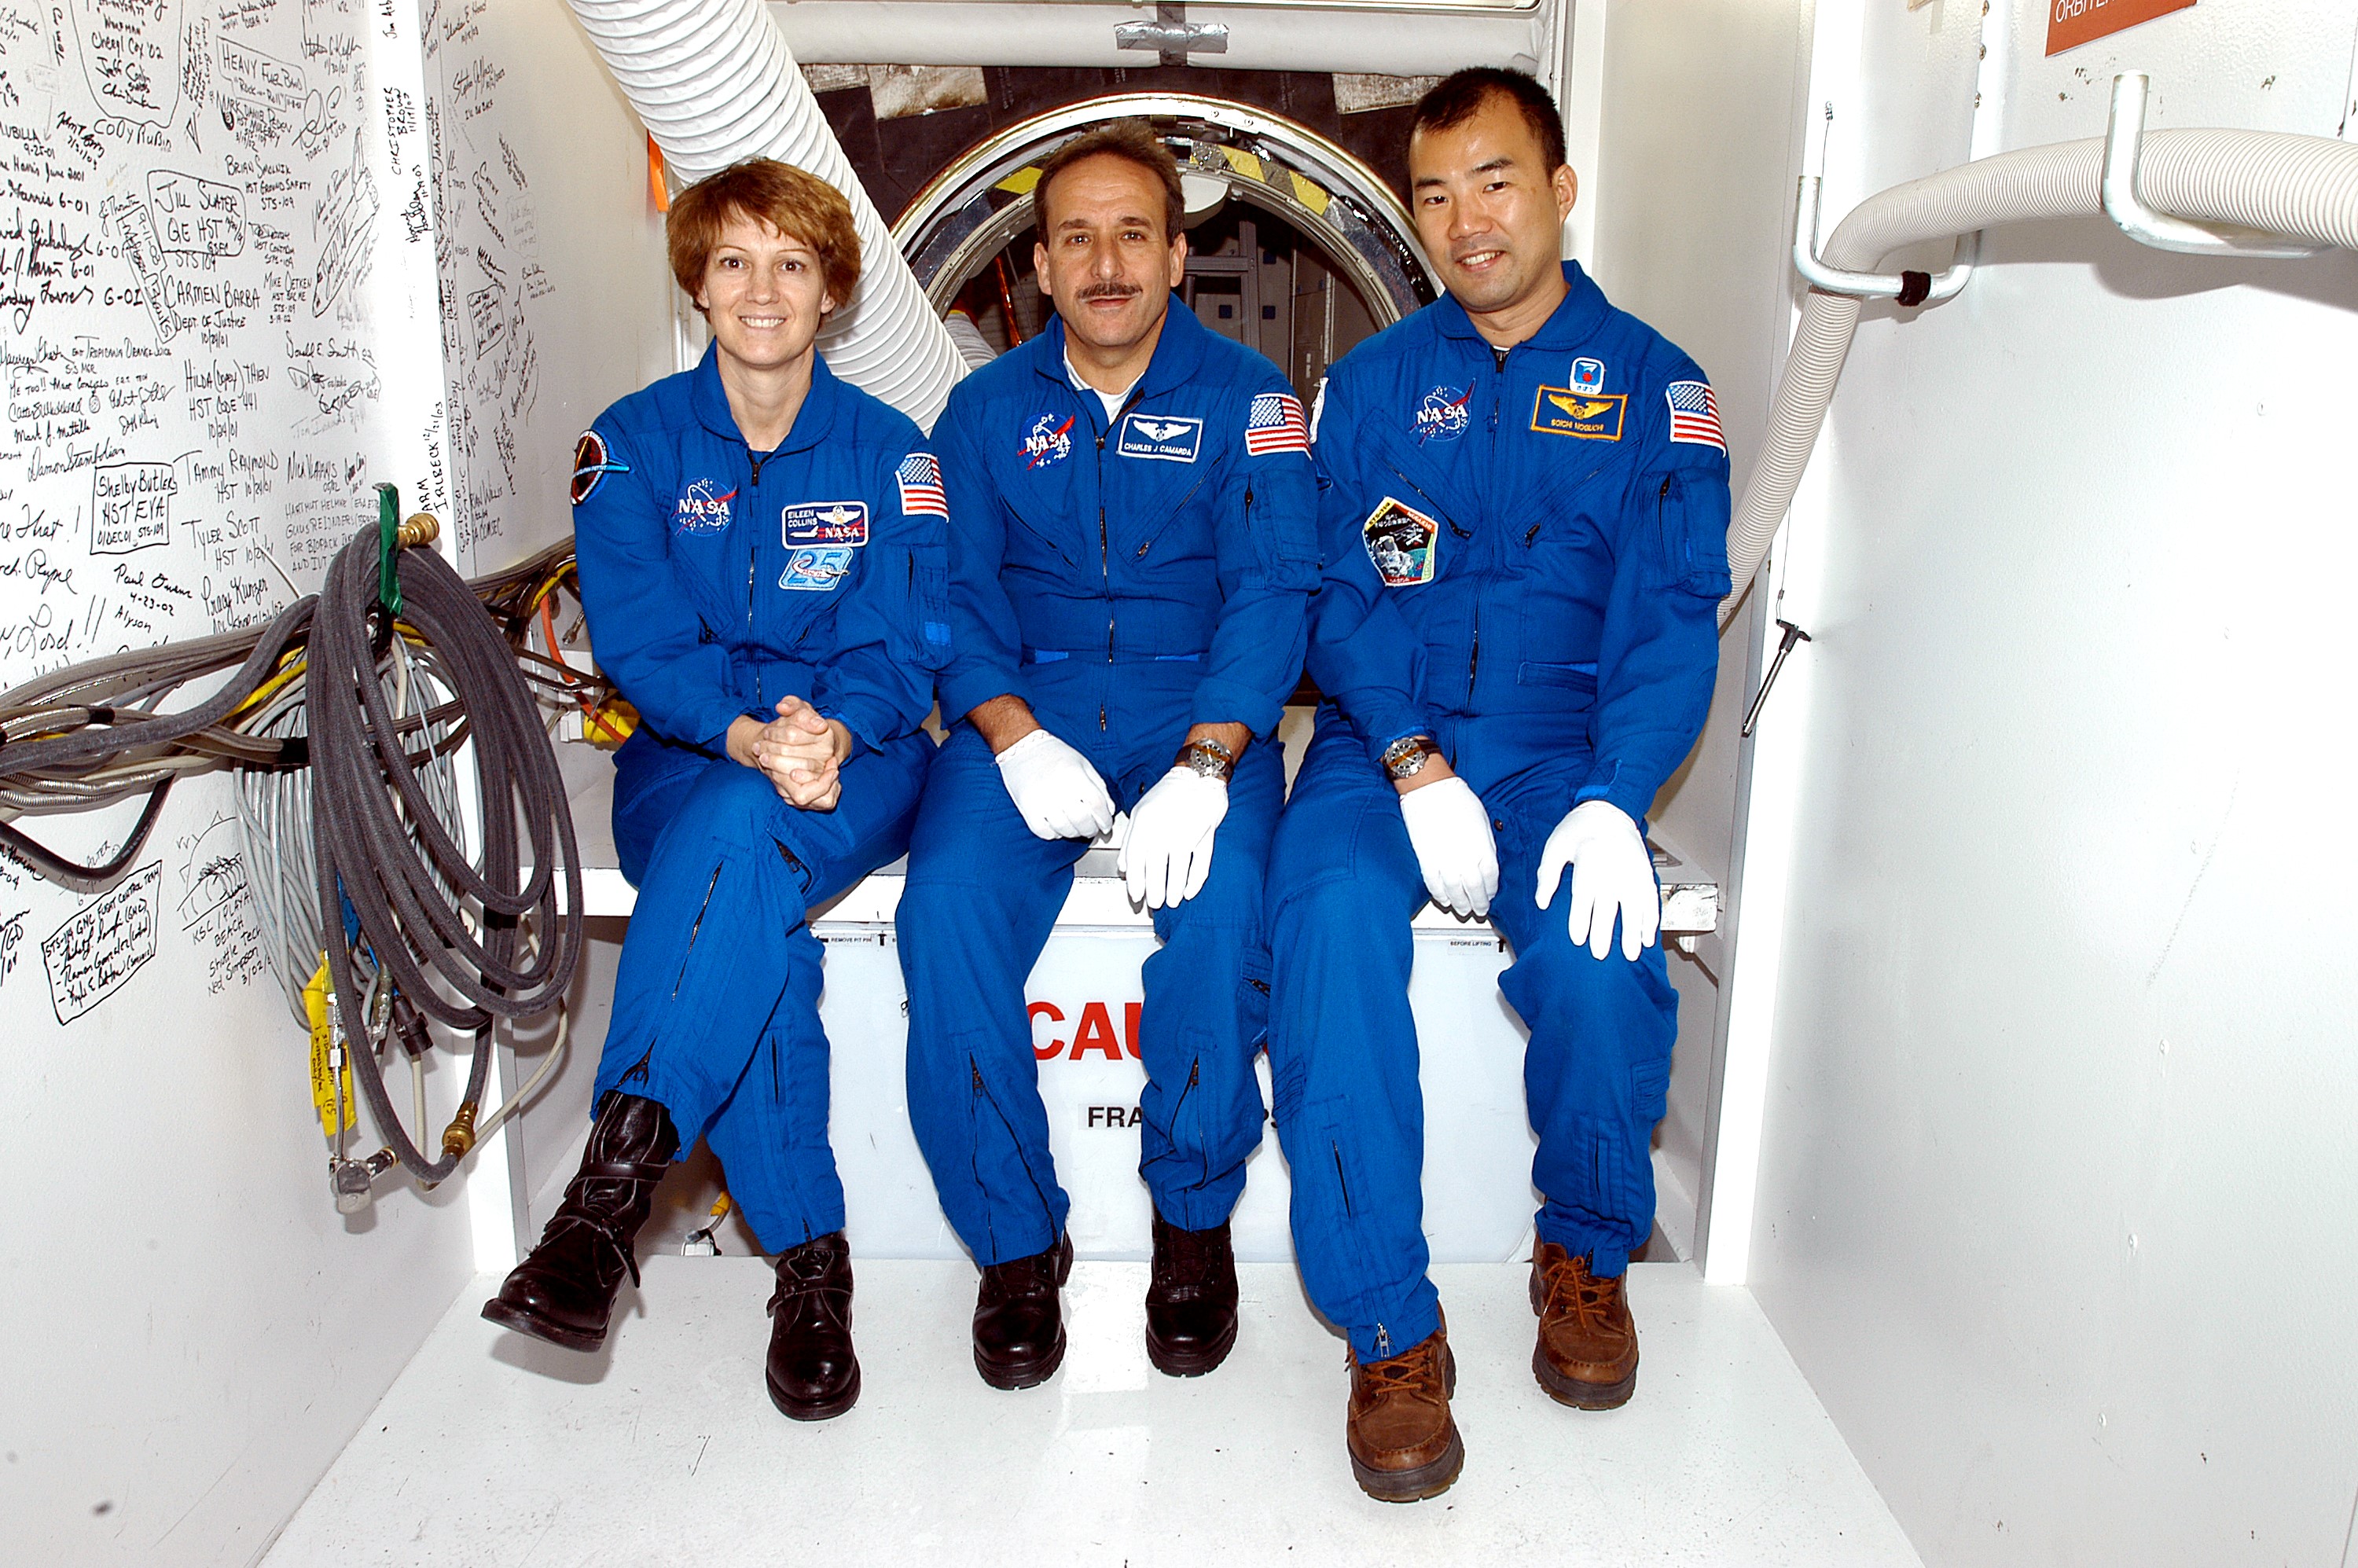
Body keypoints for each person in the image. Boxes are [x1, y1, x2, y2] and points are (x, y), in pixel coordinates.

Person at [1263, 68, 1733, 1500]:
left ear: (1560, 189)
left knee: (1602, 959)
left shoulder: (1657, 387)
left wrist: (1617, 798)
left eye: (1497, 181)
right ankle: (1390, 1331)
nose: (1467, 220)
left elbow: (1670, 618)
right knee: (1325, 931)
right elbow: (1337, 590)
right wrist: (1410, 757)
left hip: (1560, 753)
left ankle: (1584, 1251)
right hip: (1378, 743)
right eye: (1435, 194)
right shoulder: (1372, 386)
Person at [481, 159, 950, 1423]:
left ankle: (607, 1207)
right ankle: (811, 1272)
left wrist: (832, 729)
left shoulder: (893, 453)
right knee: (755, 917)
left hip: (861, 758)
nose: (762, 290)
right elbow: (640, 641)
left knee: (742, 850)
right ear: (697, 281)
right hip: (686, 757)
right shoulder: (629, 446)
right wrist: (744, 735)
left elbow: (906, 641)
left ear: (832, 291)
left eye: (792, 264)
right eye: (735, 261)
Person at [894, 120, 1318, 1390]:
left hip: (1202, 708)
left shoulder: (1252, 401)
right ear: (1037, 265)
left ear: (1180, 255)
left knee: (1226, 911)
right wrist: (1010, 731)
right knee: (944, 911)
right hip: (1032, 710)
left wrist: (1210, 759)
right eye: (1075, 238)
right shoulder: (980, 412)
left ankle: (1192, 1219)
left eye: (1135, 233)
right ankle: (1017, 1240)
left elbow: (1275, 587)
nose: (1107, 262)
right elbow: (951, 594)